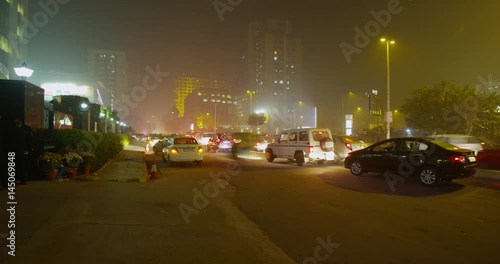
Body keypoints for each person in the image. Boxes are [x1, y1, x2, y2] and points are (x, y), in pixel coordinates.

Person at [14, 118, 33, 185]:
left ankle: (23, 179)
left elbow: (29, 140)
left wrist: (28, 150)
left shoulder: (26, 129)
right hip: (15, 149)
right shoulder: (13, 128)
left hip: (23, 150)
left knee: (23, 165)